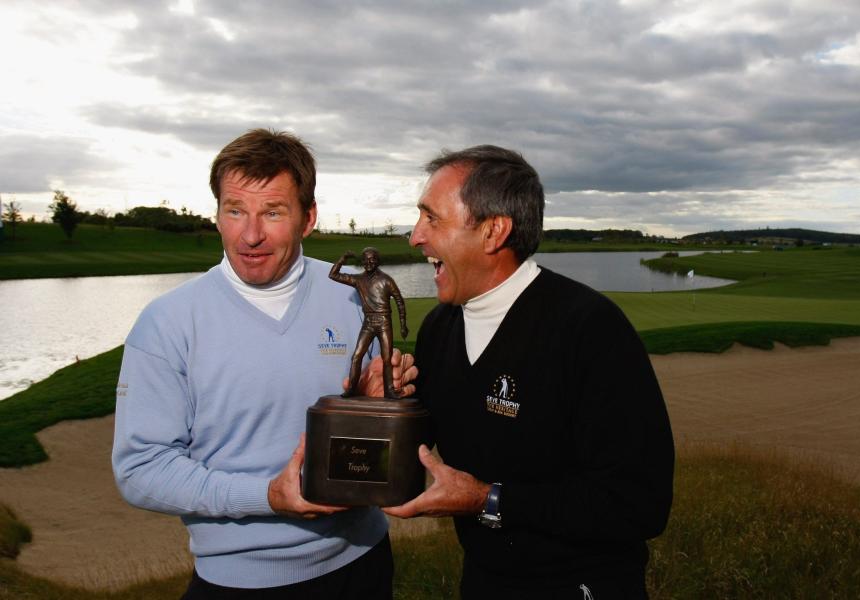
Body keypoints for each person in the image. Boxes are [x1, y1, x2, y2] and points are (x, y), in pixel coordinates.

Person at [112, 129, 415, 599]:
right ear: (217, 215)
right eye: (235, 211)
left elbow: (368, 448)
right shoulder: (166, 323)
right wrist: (268, 497)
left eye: (272, 212)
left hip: (363, 563)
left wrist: (374, 404)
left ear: (308, 218)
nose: (250, 235)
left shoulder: (351, 296)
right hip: (238, 584)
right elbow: (140, 471)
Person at [384, 145, 674, 599]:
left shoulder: (590, 329)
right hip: (483, 581)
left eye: (431, 218)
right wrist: (387, 401)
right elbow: (428, 440)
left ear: (493, 231)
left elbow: (640, 504)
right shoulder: (439, 327)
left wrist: (488, 500)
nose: (414, 236)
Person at [329, 247, 409, 398]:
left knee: (387, 358)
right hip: (368, 323)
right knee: (357, 356)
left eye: (372, 259)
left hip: (384, 321)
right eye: (365, 260)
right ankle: (352, 388)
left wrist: (403, 324)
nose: (368, 262)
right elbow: (333, 275)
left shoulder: (386, 280)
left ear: (377, 261)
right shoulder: (359, 279)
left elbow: (399, 301)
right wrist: (343, 259)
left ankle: (389, 390)